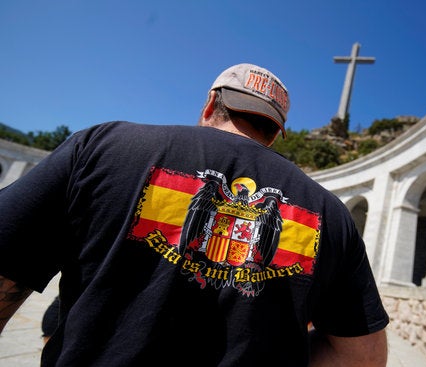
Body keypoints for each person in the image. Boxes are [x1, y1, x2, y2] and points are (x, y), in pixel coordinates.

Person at [0, 63, 389, 366]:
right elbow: (363, 357)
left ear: (209, 103)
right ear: (275, 132)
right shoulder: (329, 214)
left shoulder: (104, 146)